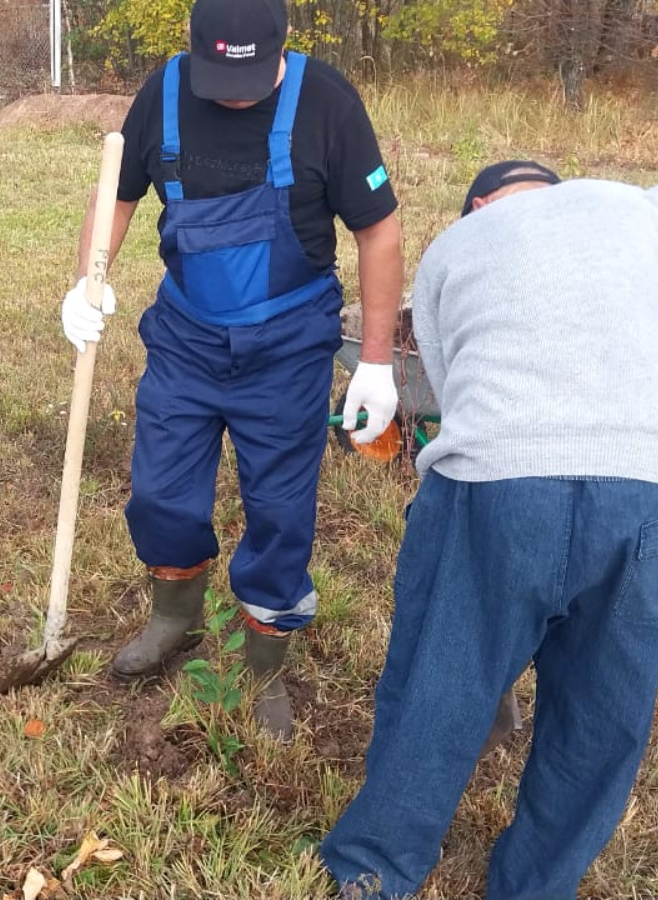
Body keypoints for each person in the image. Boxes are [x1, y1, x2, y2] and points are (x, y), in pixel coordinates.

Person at [319, 161, 658, 899]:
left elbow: (452, 399)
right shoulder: (649, 211)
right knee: (599, 716)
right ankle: (536, 885)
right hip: (647, 484)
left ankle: (374, 869)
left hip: (499, 481)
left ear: (481, 202)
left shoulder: (456, 245)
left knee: (438, 683)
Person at [61, 0, 403, 740]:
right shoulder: (165, 92)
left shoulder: (327, 102)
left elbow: (377, 230)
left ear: (281, 47)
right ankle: (174, 618)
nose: (234, 94)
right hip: (186, 338)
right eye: (218, 77)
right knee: (160, 495)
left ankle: (266, 663)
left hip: (287, 347)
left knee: (280, 515)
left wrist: (375, 362)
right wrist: (85, 281)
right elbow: (116, 197)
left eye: (247, 78)